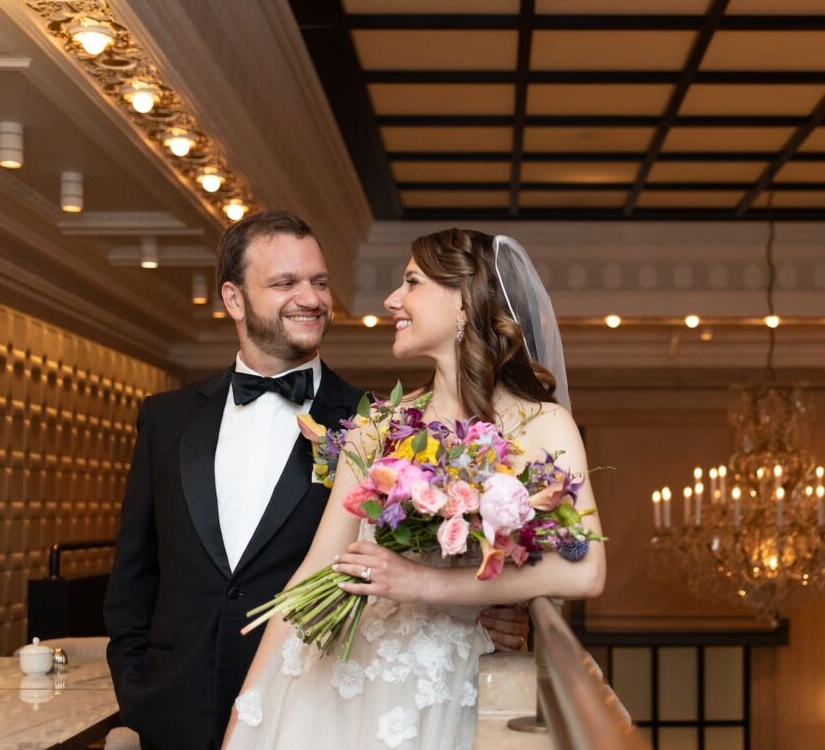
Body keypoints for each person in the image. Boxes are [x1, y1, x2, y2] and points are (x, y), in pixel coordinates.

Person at [103, 213, 529, 750]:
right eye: (285, 283)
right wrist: (138, 694)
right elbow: (133, 577)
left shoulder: (383, 426)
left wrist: (485, 612)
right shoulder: (165, 419)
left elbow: (419, 561)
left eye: (320, 282)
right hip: (172, 713)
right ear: (233, 300)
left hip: (315, 707)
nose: (311, 298)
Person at [224, 228, 606, 750]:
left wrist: (426, 585)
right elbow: (314, 573)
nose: (392, 300)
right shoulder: (377, 427)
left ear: (465, 304)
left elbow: (584, 568)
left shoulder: (543, 424)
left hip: (444, 690)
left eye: (412, 282)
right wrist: (247, 713)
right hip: (342, 684)